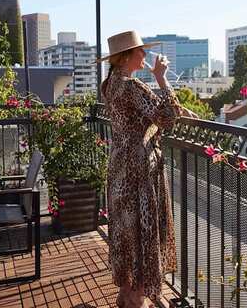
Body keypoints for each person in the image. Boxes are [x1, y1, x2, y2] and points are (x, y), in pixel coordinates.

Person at [98, 31, 197, 308]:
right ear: (127, 56)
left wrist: (180, 108)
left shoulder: (111, 85)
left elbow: (151, 112)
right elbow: (165, 117)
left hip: (119, 165)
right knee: (144, 231)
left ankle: (127, 292)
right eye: (140, 51)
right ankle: (139, 297)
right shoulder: (132, 87)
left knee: (127, 230)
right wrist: (161, 78)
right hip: (140, 168)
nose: (145, 55)